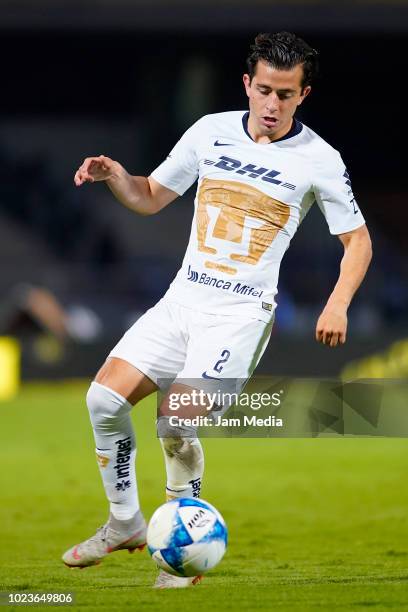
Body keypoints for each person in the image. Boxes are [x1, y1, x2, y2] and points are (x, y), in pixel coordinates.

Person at [62, 31, 372, 588]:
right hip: (182, 300)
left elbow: (359, 241)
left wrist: (338, 304)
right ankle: (125, 522)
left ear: (304, 95)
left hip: (240, 315)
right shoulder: (210, 131)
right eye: (266, 91)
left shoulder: (320, 160)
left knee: (176, 421)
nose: (273, 105)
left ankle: (184, 549)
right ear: (247, 84)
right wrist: (116, 178)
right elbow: (151, 196)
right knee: (103, 400)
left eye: (287, 94)